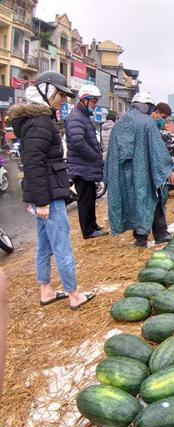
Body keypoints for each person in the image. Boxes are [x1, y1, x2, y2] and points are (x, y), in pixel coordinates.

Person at [9, 71, 95, 309]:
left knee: (45, 244)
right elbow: (33, 165)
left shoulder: (38, 120)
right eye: (60, 94)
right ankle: (74, 294)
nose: (64, 100)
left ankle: (45, 290)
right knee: (62, 244)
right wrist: (43, 201)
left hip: (44, 192)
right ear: (46, 91)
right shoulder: (40, 123)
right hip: (49, 194)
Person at [105, 91, 174, 248]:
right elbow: (157, 150)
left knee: (134, 202)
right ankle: (160, 234)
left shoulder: (119, 122)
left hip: (124, 173)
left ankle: (140, 238)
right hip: (144, 172)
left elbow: (112, 153)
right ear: (148, 106)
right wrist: (168, 169)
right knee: (152, 200)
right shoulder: (146, 123)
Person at [66, 84, 105, 240]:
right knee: (85, 200)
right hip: (81, 168)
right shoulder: (76, 117)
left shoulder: (83, 117)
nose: (95, 105)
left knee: (91, 198)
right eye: (93, 101)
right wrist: (95, 157)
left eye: (96, 101)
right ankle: (88, 231)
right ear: (84, 100)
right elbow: (78, 142)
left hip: (86, 167)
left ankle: (93, 225)